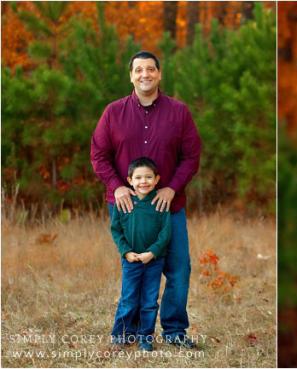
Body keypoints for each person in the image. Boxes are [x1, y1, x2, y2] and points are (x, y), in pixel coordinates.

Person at [91, 50, 202, 348]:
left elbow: (191, 157)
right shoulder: (112, 113)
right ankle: (131, 333)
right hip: (128, 210)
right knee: (136, 272)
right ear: (130, 75)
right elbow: (98, 155)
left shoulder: (179, 112)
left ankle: (175, 331)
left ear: (159, 74)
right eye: (138, 70)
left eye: (151, 69)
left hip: (169, 207)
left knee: (179, 269)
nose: (145, 75)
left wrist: (171, 188)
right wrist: (116, 186)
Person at [110, 157, 171, 352]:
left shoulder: (159, 203)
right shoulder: (123, 203)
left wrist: (152, 253)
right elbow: (116, 230)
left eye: (148, 177)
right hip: (131, 260)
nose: (143, 181)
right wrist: (126, 252)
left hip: (153, 261)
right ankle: (121, 335)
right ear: (129, 180)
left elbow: (165, 233)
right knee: (128, 298)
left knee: (149, 301)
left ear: (156, 179)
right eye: (138, 177)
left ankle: (145, 337)